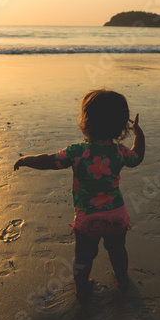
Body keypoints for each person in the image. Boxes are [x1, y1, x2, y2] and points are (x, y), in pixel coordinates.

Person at [14, 89, 145, 300]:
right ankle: (121, 280)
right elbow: (137, 157)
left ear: (86, 122)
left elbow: (49, 161)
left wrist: (27, 159)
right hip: (116, 215)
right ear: (121, 126)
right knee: (117, 250)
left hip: (88, 217)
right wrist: (139, 134)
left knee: (83, 257)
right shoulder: (120, 152)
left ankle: (82, 289)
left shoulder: (76, 152)